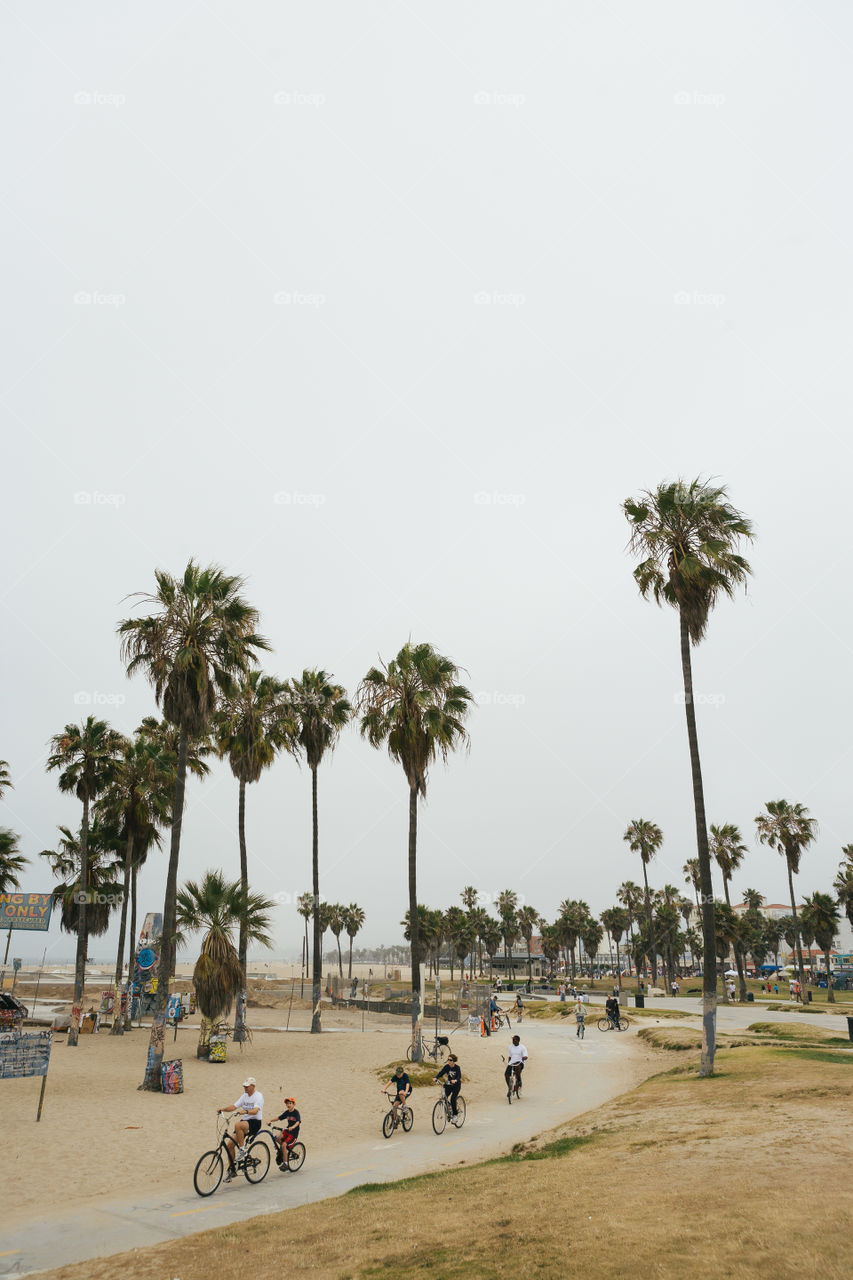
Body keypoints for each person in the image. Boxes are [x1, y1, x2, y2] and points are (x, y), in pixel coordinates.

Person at [218, 1076, 264, 1180]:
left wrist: (246, 1111)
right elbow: (234, 1107)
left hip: (255, 1122)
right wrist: (222, 1109)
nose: (245, 1088)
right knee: (230, 1145)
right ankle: (232, 1170)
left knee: (237, 1124)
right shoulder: (244, 1096)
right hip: (245, 1123)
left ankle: (242, 1150)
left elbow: (256, 1110)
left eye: (247, 1086)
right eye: (244, 1086)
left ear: (253, 1086)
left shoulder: (258, 1096)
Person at [274, 1095, 301, 1167]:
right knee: (276, 1138)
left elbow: (298, 1122)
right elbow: (279, 1118)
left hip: (293, 1133)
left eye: (290, 1103)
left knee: (283, 1145)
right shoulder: (287, 1112)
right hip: (287, 1130)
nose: (288, 1105)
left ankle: (286, 1163)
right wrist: (270, 1120)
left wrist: (293, 1127)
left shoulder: (296, 1112)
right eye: (287, 1103)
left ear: (294, 1104)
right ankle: (283, 1151)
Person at [435, 1053, 462, 1120]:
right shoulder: (447, 1067)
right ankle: (449, 1107)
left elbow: (459, 1076)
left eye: (450, 1060)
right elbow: (441, 1073)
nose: (449, 1061)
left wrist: (455, 1080)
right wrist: (436, 1077)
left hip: (456, 1086)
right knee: (444, 1097)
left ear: (453, 1061)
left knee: (453, 1099)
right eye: (448, 1059)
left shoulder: (457, 1068)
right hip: (449, 1085)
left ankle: (455, 1115)